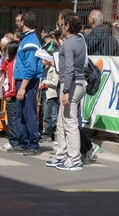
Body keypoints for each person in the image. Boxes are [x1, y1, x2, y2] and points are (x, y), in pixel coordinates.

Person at [45, 12, 86, 171]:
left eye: (61, 24)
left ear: (67, 27)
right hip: (77, 83)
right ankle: (61, 154)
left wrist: (66, 90)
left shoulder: (69, 43)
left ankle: (74, 159)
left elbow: (69, 68)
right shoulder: (79, 39)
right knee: (62, 123)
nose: (59, 27)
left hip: (71, 84)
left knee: (70, 124)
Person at [13, 11, 43, 156]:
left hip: (28, 82)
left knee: (29, 113)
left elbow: (31, 68)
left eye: (19, 21)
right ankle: (24, 142)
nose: (17, 23)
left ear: (23, 23)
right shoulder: (26, 39)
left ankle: (33, 144)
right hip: (22, 80)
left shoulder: (30, 41)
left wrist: (23, 87)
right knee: (21, 114)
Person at [1, 41, 23, 152]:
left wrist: (9, 93)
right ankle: (14, 140)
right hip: (11, 93)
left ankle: (15, 141)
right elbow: (3, 71)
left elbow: (11, 80)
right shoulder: (9, 62)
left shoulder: (14, 63)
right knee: (12, 118)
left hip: (12, 94)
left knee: (13, 118)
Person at [39, 57, 59, 143]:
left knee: (48, 116)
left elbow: (55, 82)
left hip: (50, 95)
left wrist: (44, 82)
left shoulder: (53, 69)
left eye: (43, 59)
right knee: (44, 116)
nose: (41, 61)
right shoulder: (43, 70)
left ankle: (48, 135)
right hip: (43, 94)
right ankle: (45, 133)